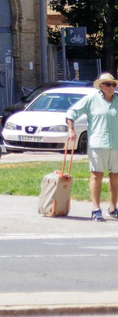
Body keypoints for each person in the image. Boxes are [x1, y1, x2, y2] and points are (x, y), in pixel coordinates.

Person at [66, 72, 118, 220]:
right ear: (101, 86)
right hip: (98, 144)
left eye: (113, 84)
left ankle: (113, 208)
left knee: (115, 177)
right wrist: (71, 129)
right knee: (97, 175)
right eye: (108, 84)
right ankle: (96, 209)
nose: (111, 87)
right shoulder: (91, 99)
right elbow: (71, 113)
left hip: (116, 144)